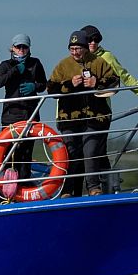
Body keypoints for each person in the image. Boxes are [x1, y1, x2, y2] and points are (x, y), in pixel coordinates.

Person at [47, 30, 119, 197]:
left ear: (86, 48)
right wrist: (69, 84)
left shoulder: (99, 62)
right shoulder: (63, 65)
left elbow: (115, 81)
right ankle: (67, 190)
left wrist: (97, 82)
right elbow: (51, 88)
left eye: (78, 48)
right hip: (69, 119)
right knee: (70, 152)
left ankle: (94, 188)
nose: (75, 53)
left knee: (91, 151)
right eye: (71, 49)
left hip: (95, 117)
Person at [81, 24, 138, 192]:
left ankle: (96, 188)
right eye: (89, 39)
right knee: (97, 151)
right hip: (80, 114)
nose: (93, 43)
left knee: (94, 149)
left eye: (96, 39)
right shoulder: (77, 58)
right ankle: (108, 187)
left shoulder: (107, 57)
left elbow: (124, 76)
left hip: (100, 112)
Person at [0, 33, 47, 186]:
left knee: (26, 154)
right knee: (11, 155)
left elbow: (43, 84)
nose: (21, 50)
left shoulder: (35, 63)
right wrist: (15, 70)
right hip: (11, 115)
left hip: (30, 113)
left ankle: (25, 186)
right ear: (12, 48)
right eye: (18, 47)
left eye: (24, 47)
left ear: (29, 48)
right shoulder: (6, 65)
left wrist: (34, 86)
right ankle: (10, 189)